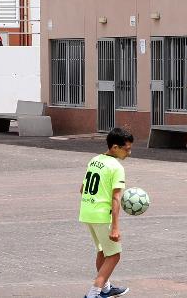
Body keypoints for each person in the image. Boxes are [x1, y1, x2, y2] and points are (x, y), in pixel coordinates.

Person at [79, 126, 133, 297]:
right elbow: (116, 198)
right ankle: (93, 293)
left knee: (102, 250)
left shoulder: (94, 160)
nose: (129, 153)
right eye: (127, 149)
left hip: (87, 212)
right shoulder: (116, 167)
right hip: (102, 215)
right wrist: (115, 228)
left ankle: (106, 288)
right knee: (115, 255)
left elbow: (82, 189)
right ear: (115, 147)